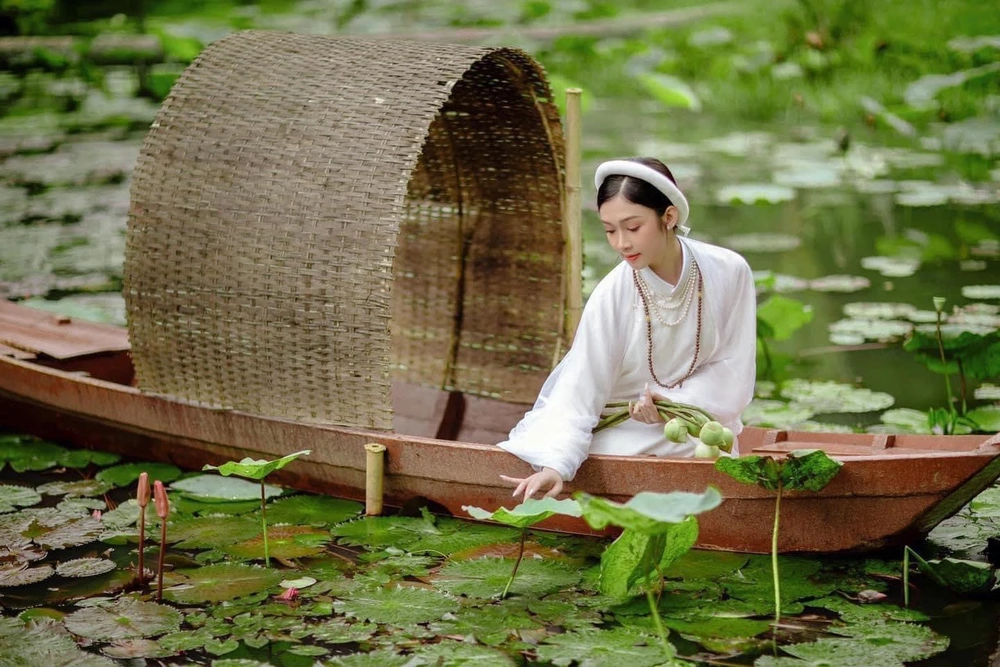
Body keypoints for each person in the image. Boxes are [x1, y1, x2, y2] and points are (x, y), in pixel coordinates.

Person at [497, 157, 757, 500]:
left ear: (669, 216)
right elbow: (580, 390)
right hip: (625, 430)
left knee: (713, 447)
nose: (621, 243)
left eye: (632, 228)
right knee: (616, 451)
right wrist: (555, 463)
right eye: (609, 230)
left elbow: (732, 370)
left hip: (695, 425)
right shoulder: (613, 294)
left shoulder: (730, 271)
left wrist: (673, 403)